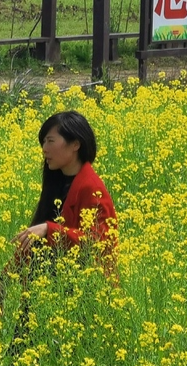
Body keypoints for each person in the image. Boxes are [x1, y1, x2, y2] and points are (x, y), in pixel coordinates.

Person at [12, 110, 118, 270]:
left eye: (50, 141)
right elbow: (32, 245)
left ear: (75, 144)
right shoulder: (56, 182)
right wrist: (4, 279)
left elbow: (100, 242)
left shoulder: (92, 188)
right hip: (52, 283)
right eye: (43, 142)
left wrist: (50, 229)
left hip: (84, 284)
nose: (44, 149)